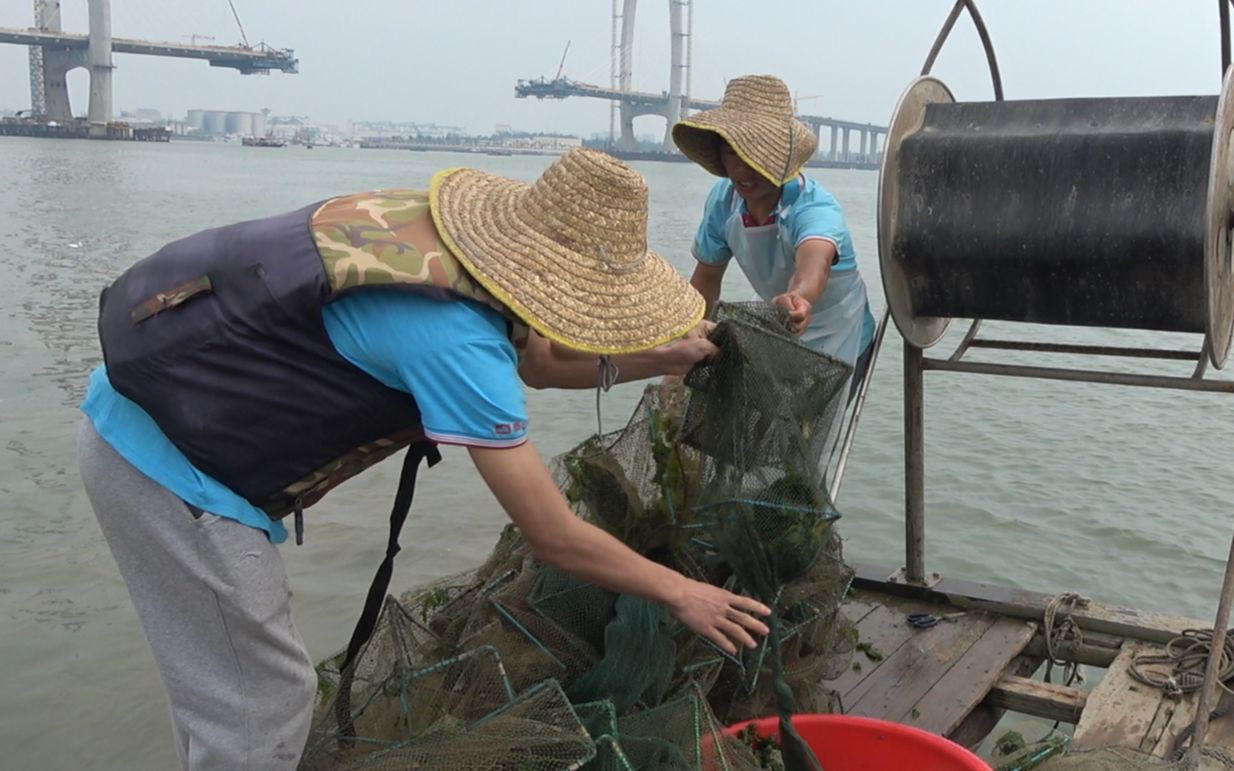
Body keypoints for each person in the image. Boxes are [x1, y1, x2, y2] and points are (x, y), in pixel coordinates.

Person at [77, 147, 770, 771]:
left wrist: (663, 357)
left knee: (223, 694)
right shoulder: (452, 338)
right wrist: (684, 591)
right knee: (262, 707)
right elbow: (552, 533)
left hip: (138, 411)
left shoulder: (437, 243)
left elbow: (533, 362)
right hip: (168, 472)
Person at [672, 74, 876, 391]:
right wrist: (686, 337)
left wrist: (798, 298)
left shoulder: (815, 208)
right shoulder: (724, 201)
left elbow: (815, 263)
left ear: (781, 156)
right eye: (730, 151)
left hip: (839, 329)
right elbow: (707, 279)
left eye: (754, 153)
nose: (740, 169)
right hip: (775, 323)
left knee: (810, 433)